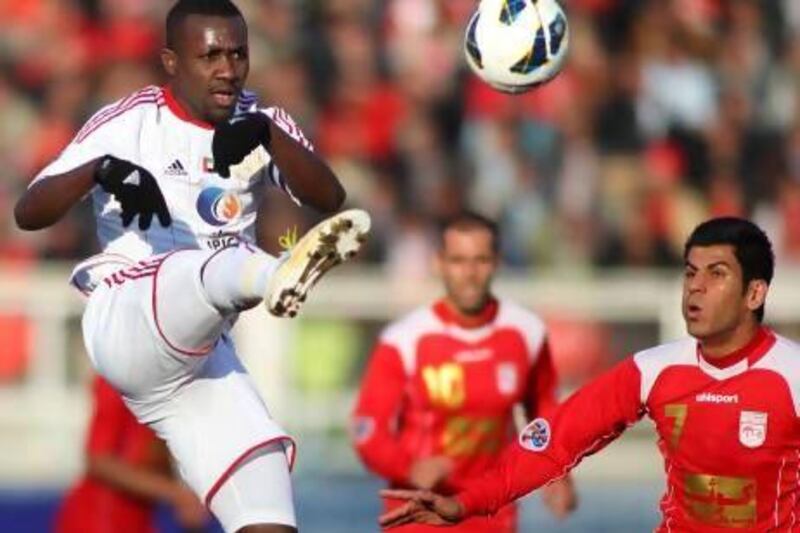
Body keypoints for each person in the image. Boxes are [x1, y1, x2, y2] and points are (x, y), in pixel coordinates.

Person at [14, 1, 371, 531]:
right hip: (127, 317)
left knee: (269, 511)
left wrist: (269, 137)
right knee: (205, 264)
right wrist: (101, 170)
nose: (227, 68)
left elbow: (329, 195)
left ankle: (272, 274)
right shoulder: (131, 121)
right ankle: (277, 274)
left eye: (237, 54)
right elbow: (29, 211)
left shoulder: (260, 119)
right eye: (210, 56)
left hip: (202, 351)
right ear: (172, 61)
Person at [379, 217, 799, 532]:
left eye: (717, 273)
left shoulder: (791, 375)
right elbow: (553, 441)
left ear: (755, 293)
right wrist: (467, 502)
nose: (695, 287)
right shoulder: (653, 370)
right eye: (691, 272)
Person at [352, 212, 576, 532]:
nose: (469, 274)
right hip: (417, 513)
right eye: (458, 260)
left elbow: (545, 412)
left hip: (491, 511)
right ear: (439, 263)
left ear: (497, 262)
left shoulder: (525, 332)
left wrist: (560, 474)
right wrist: (410, 467)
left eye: (480, 260)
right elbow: (366, 429)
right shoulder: (404, 339)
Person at [56, 376, 208, 533]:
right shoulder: (118, 380)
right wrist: (176, 494)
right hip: (98, 520)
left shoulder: (170, 388)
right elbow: (98, 460)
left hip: (138, 520)